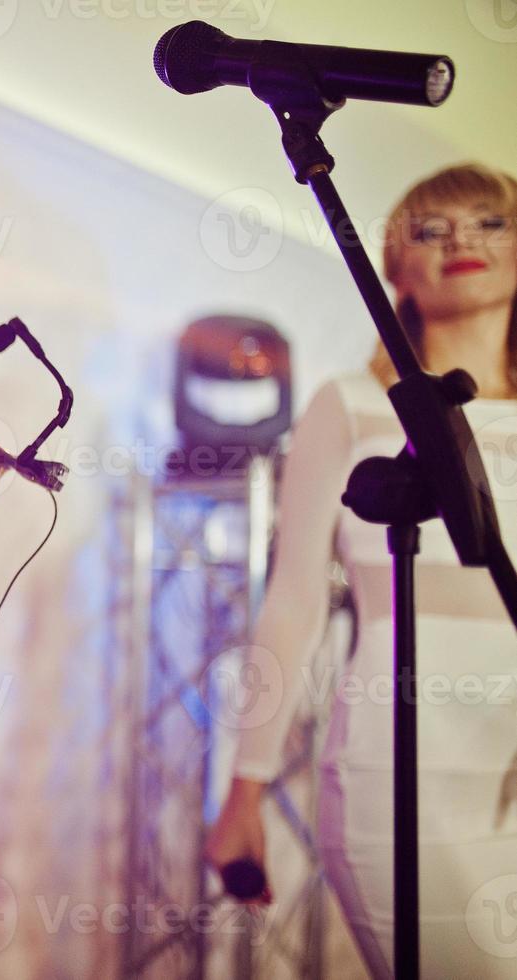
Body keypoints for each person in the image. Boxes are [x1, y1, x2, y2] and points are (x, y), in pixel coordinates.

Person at [206, 163, 517, 977]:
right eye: (430, 229)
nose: (460, 242)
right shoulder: (348, 404)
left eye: (487, 222)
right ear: (394, 269)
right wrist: (245, 789)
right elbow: (294, 601)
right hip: (398, 764)